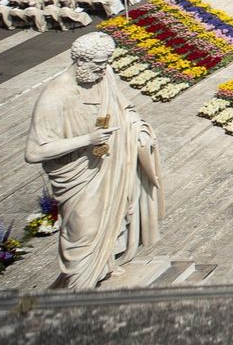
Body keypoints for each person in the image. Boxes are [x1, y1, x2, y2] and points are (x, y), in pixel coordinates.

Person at [26, 34, 164, 289]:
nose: (104, 68)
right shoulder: (56, 94)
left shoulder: (104, 76)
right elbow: (35, 152)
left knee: (114, 219)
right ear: (80, 60)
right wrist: (86, 140)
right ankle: (79, 288)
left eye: (106, 62)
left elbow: (125, 109)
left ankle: (104, 267)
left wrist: (139, 130)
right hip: (78, 177)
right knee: (84, 231)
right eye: (99, 63)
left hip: (108, 167)